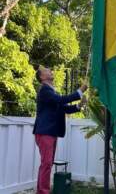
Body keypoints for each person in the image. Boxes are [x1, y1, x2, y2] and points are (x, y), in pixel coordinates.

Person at [33, 66, 88, 194]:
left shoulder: (53, 92)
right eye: (46, 70)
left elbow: (65, 108)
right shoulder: (45, 91)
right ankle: (43, 192)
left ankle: (41, 191)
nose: (49, 70)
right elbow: (61, 100)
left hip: (50, 132)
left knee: (47, 164)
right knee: (46, 164)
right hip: (45, 132)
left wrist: (79, 106)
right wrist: (79, 92)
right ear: (42, 77)